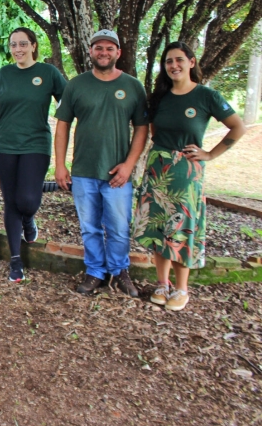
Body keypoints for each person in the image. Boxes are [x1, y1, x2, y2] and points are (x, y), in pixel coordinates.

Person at [134, 42, 245, 311]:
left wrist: (210, 154)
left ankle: (181, 288)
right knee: (159, 227)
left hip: (187, 171)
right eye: (169, 61)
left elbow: (237, 127)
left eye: (179, 60)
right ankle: (162, 284)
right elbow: (154, 132)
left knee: (181, 227)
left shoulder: (206, 96)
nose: (174, 65)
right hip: (158, 168)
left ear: (191, 62)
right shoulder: (159, 98)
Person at [54, 29, 149, 297]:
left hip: (118, 173)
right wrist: (60, 165)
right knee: (90, 227)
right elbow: (62, 126)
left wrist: (129, 165)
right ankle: (95, 271)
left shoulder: (132, 86)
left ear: (118, 52)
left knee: (118, 228)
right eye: (99, 48)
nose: (103, 52)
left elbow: (142, 128)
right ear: (91, 51)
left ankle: (119, 271)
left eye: (109, 48)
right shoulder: (76, 85)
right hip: (84, 171)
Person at [0, 28, 67, 283]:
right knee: (11, 201)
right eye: (13, 45)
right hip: (3, 145)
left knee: (27, 200)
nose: (18, 49)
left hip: (36, 144)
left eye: (23, 44)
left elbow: (69, 101)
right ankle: (15, 260)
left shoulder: (48, 73)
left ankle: (29, 219)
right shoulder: (4, 74)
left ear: (33, 45)